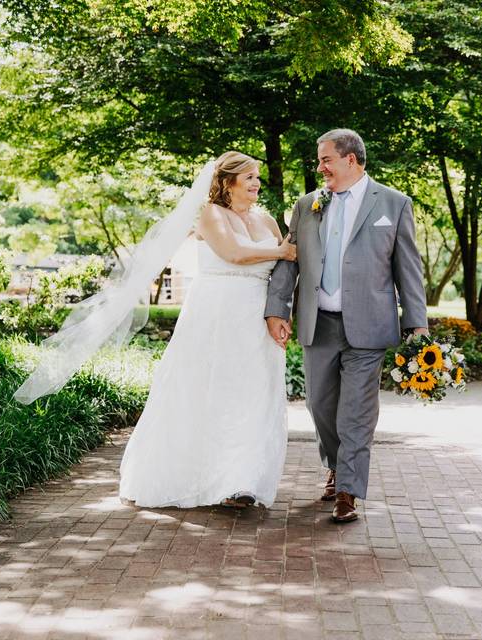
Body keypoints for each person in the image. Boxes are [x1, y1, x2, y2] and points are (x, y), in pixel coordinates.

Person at [265, 129, 428, 524]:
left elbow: (408, 269)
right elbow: (290, 260)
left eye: (326, 160)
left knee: (356, 411)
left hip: (369, 326)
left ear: (350, 159)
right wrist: (276, 310)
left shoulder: (393, 203)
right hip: (317, 322)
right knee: (320, 404)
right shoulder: (307, 206)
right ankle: (335, 465)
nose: (320, 167)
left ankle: (348, 490)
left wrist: (417, 324)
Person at [118, 152, 296, 508]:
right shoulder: (212, 214)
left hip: (256, 317)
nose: (257, 184)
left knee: (253, 396)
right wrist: (284, 251)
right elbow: (233, 253)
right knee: (210, 392)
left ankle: (241, 481)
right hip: (217, 314)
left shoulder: (268, 222)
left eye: (258, 177)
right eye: (249, 178)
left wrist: (282, 312)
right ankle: (201, 477)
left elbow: (281, 272)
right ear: (228, 182)